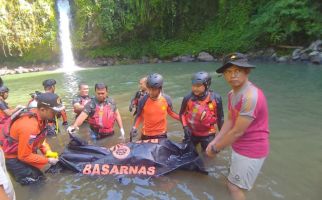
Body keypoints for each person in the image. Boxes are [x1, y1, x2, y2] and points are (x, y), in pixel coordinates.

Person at [206, 53, 270, 200]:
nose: (232, 75)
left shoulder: (250, 96)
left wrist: (216, 148)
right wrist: (215, 141)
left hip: (251, 149)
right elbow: (230, 120)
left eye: (237, 71)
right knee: (232, 182)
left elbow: (237, 132)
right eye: (228, 72)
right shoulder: (232, 94)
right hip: (239, 146)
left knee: (234, 188)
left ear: (246, 71)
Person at [3, 93, 62, 185]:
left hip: (25, 154)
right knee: (37, 185)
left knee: (41, 179)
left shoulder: (42, 118)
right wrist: (48, 160)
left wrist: (47, 152)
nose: (57, 114)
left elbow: (40, 140)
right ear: (42, 109)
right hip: (15, 160)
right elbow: (24, 156)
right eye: (54, 111)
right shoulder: (29, 126)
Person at [179, 71, 224, 151]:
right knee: (185, 152)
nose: (195, 88)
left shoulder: (216, 99)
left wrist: (222, 137)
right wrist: (185, 127)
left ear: (207, 86)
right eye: (193, 85)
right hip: (191, 132)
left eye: (198, 86)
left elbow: (220, 119)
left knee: (210, 154)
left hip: (208, 134)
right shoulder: (188, 98)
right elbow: (182, 114)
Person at [130, 73, 180, 140]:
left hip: (161, 134)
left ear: (160, 88)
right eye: (149, 89)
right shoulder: (143, 100)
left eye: (153, 90)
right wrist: (134, 128)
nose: (150, 92)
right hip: (146, 134)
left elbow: (171, 113)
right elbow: (139, 116)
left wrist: (183, 120)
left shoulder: (166, 99)